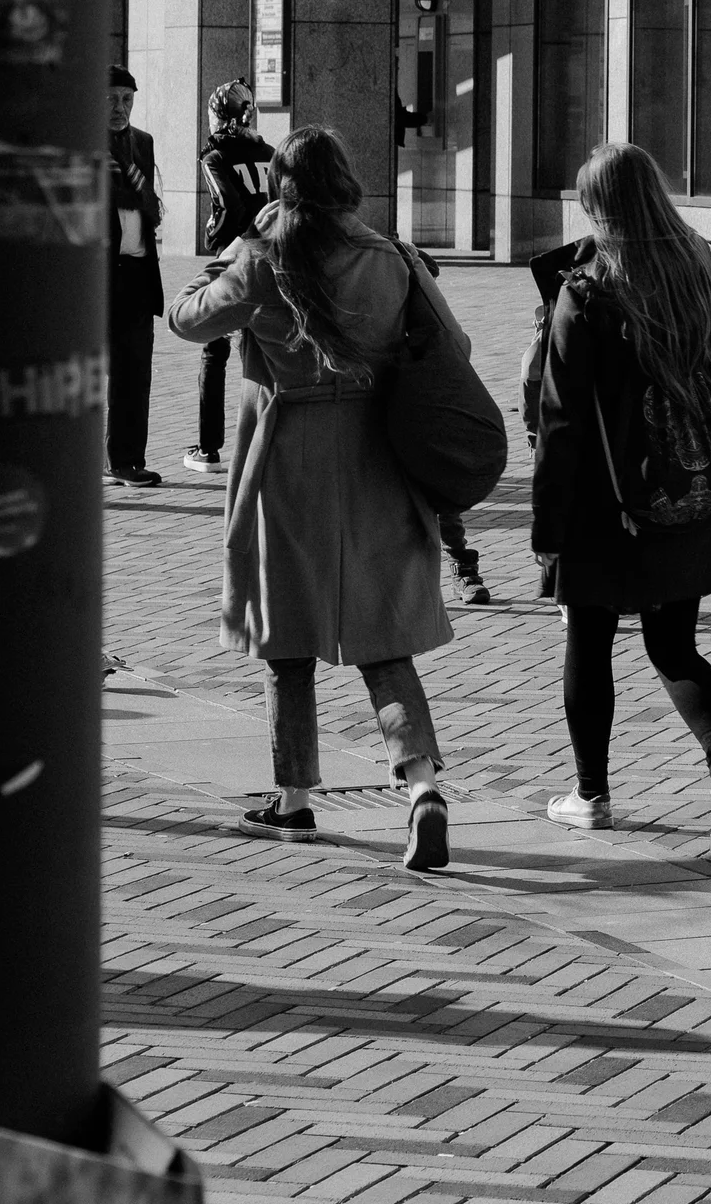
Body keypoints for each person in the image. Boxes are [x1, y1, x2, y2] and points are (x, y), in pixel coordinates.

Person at [168, 125, 461, 870]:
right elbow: (452, 345)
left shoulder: (264, 255)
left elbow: (190, 320)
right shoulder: (390, 258)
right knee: (382, 638)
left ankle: (294, 798)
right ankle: (421, 786)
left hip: (288, 455)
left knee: (286, 634)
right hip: (376, 454)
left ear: (282, 185)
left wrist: (200, 281)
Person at [529, 141, 711, 855]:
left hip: (607, 503)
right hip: (686, 483)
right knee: (673, 644)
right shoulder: (699, 270)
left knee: (589, 635)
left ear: (598, 208)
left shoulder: (588, 291)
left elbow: (561, 422)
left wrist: (548, 524)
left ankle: (591, 794)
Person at [183, 82, 276, 478]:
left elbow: (226, 205)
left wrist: (215, 235)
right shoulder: (270, 153)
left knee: (214, 348)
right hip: (273, 255)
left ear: (218, 115)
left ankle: (209, 449)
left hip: (234, 256)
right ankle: (264, 440)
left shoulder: (215, 154)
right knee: (262, 352)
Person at [105, 69, 165, 486]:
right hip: (98, 275)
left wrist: (143, 200)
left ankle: (129, 461)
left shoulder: (142, 143)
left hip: (139, 271)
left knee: (135, 370)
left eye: (127, 99)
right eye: (111, 99)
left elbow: (151, 205)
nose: (120, 108)